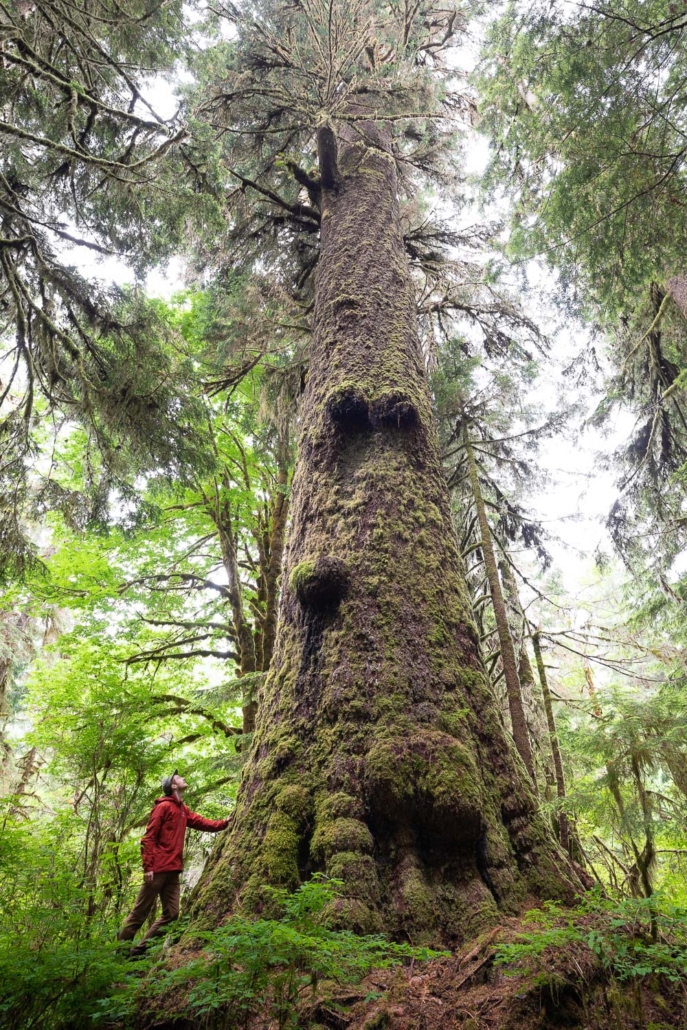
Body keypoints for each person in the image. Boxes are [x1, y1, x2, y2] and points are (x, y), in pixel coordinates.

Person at [117, 770, 231, 955]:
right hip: (157, 869)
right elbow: (149, 838)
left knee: (172, 914)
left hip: (174, 870)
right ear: (173, 786)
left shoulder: (182, 809)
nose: (183, 778)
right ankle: (119, 955)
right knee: (139, 913)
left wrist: (224, 823)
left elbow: (201, 822)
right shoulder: (163, 807)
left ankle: (137, 953)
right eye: (179, 778)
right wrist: (148, 867)